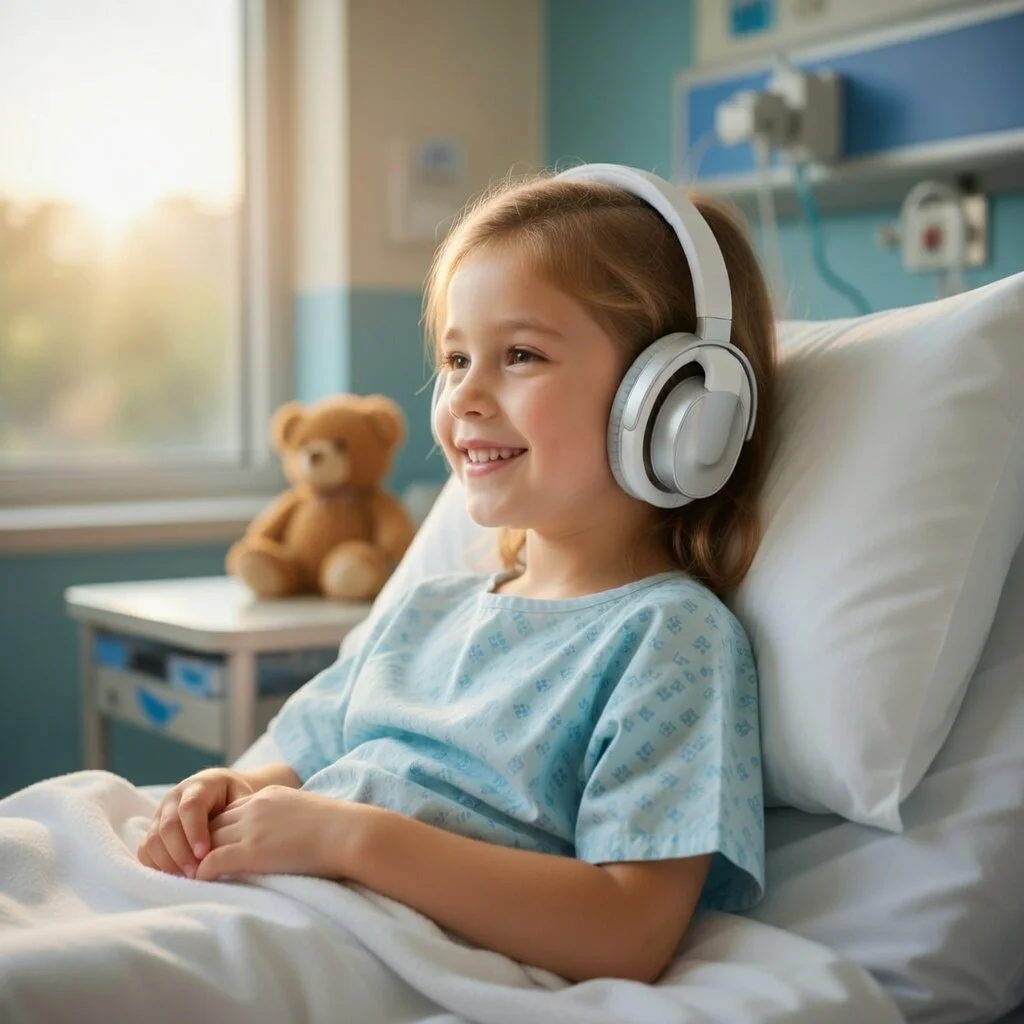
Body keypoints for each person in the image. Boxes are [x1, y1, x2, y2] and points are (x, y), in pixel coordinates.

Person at [137, 163, 778, 985]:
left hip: (356, 944)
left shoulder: (670, 640)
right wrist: (223, 791)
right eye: (454, 358)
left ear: (673, 405)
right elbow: (297, 762)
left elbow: (630, 929)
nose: (466, 397)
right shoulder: (425, 610)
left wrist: (348, 837)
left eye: (519, 355)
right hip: (260, 899)